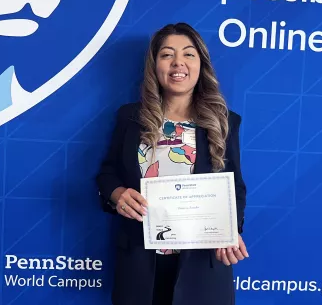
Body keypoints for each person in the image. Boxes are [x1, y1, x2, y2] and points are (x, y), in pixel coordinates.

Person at [96, 22, 248, 305]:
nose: (178, 62)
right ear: (155, 65)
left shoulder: (224, 122)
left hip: (201, 265)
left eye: (188, 54)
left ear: (201, 64)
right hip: (140, 264)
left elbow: (235, 186)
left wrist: (231, 231)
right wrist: (117, 194)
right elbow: (107, 173)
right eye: (167, 54)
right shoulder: (130, 118)